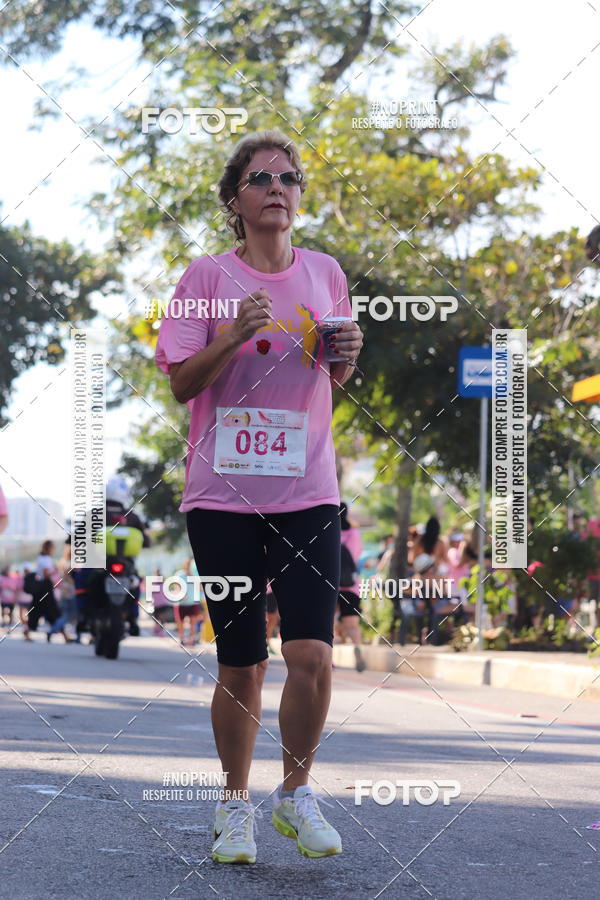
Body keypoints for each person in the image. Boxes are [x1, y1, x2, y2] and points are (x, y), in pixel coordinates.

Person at [155, 129, 363, 864]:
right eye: (261, 177)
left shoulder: (326, 273)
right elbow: (182, 383)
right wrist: (233, 335)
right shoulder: (205, 277)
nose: (278, 186)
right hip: (223, 498)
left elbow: (328, 379)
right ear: (235, 199)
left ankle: (296, 796)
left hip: (308, 491)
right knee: (242, 661)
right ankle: (234, 806)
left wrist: (345, 357)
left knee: (312, 652)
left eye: (289, 177)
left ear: (298, 197)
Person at [336, 502, 366, 672]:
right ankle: (357, 647)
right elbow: (357, 554)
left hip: (331, 584)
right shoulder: (354, 534)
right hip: (351, 585)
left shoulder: (329, 531)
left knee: (329, 622)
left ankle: (328, 658)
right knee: (352, 625)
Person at [47, 541, 77, 642]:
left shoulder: (62, 562)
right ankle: (53, 630)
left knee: (65, 613)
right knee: (70, 613)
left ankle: (53, 631)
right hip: (71, 589)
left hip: (63, 589)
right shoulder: (72, 564)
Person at [173, 558, 205, 646]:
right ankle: (181, 639)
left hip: (193, 603)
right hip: (181, 603)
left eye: (190, 565)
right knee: (180, 623)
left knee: (193, 623)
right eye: (188, 564)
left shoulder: (195, 576)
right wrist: (180, 594)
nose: (189, 566)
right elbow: (176, 586)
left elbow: (200, 588)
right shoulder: (179, 575)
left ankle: (191, 640)